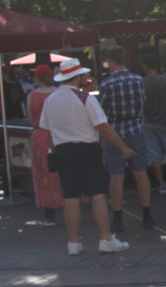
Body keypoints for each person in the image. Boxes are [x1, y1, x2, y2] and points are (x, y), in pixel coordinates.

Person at [39, 58, 133, 255]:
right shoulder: (85, 99)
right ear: (78, 77)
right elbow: (102, 126)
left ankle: (73, 243)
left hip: (62, 150)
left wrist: (53, 150)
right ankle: (105, 238)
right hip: (86, 149)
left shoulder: (51, 100)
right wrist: (122, 147)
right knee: (97, 194)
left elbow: (46, 130)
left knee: (70, 196)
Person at [98, 46, 155, 231]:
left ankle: (118, 219)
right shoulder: (139, 80)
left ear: (111, 61)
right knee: (141, 173)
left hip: (115, 131)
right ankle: (147, 214)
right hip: (136, 128)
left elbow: (101, 109)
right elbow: (144, 103)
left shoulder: (107, 84)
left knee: (117, 176)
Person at [26, 65, 63, 226]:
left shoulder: (32, 95)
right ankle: (68, 201)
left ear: (37, 78)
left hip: (40, 135)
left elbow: (30, 117)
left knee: (44, 171)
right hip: (57, 134)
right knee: (61, 169)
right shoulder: (58, 93)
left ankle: (49, 212)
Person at [140, 54, 166, 195]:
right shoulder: (165, 81)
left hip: (149, 122)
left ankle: (162, 183)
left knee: (154, 155)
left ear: (145, 66)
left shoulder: (141, 83)